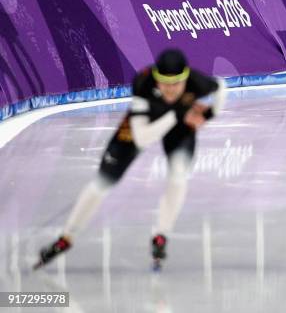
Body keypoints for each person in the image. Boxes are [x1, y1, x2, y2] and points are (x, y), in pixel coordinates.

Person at [34, 48, 226, 270]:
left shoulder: (197, 82)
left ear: (186, 78)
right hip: (141, 126)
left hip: (179, 126)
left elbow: (221, 87)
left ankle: (161, 234)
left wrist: (209, 115)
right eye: (164, 83)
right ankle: (67, 237)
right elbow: (142, 137)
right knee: (102, 184)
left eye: (176, 84)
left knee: (179, 176)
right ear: (156, 78)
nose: (170, 90)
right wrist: (178, 112)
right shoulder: (143, 83)